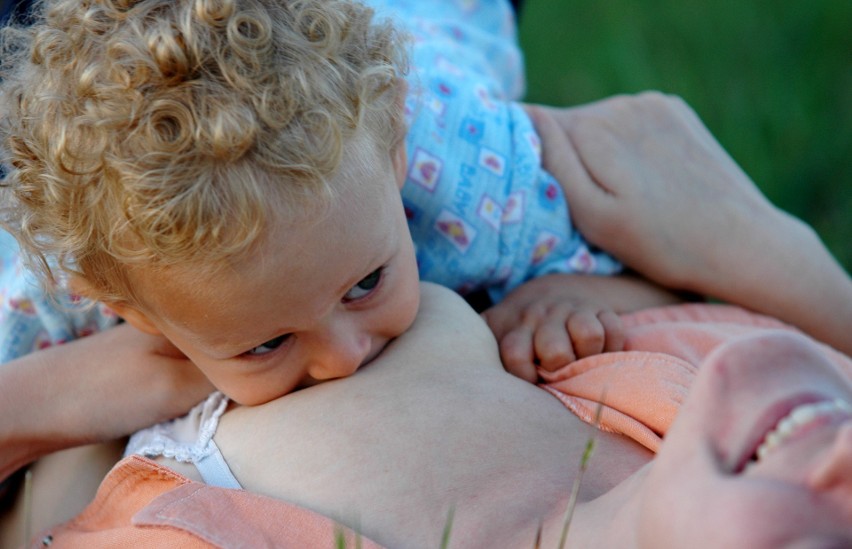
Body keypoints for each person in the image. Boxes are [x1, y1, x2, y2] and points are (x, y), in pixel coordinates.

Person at [2, 92, 851, 548]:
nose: (344, 358)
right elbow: (649, 174)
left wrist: (52, 402)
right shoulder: (695, 409)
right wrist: (751, 262)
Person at [0, 0, 681, 410]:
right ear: (128, 309)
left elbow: (666, 265)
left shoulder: (481, 191)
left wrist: (572, 291)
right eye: (266, 342)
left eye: (365, 283)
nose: (345, 358)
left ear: (393, 152)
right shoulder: (67, 280)